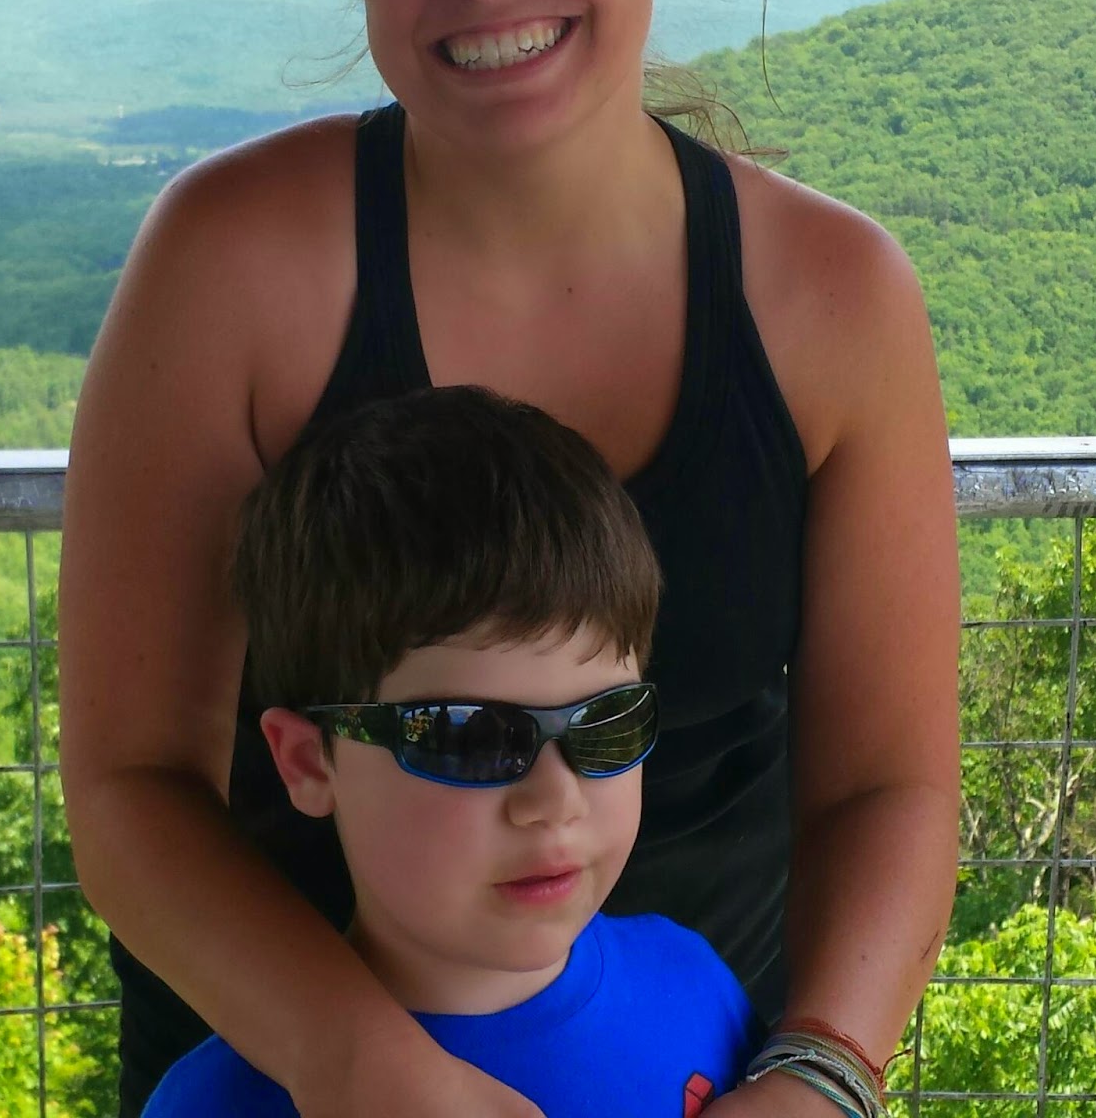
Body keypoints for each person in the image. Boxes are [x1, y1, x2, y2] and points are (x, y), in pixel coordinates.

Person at [58, 0, 961, 1118]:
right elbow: (133, 786)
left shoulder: (831, 297)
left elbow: (890, 784)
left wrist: (820, 1074)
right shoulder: (236, 264)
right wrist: (364, 1066)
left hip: (695, 1068)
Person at [143, 384, 758, 1117]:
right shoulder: (216, 1105)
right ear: (308, 761)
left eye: (605, 721)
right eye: (469, 737)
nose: (554, 800)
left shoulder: (697, 984)